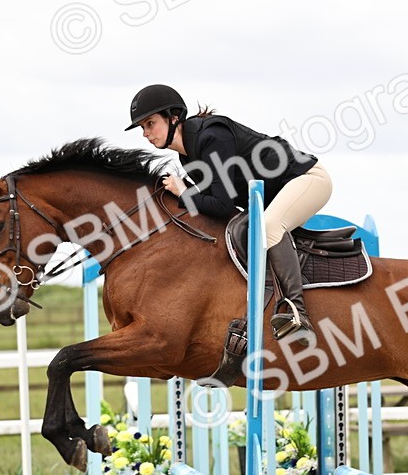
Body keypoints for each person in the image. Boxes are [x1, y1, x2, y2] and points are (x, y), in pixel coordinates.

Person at [125, 83, 331, 339]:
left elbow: (222, 206)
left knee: (268, 226)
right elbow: (220, 204)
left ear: (173, 117)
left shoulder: (211, 136)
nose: (145, 133)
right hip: (273, 195)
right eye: (142, 127)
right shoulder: (187, 157)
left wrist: (184, 193)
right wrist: (187, 193)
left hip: (307, 179)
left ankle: (297, 313)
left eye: (150, 123)